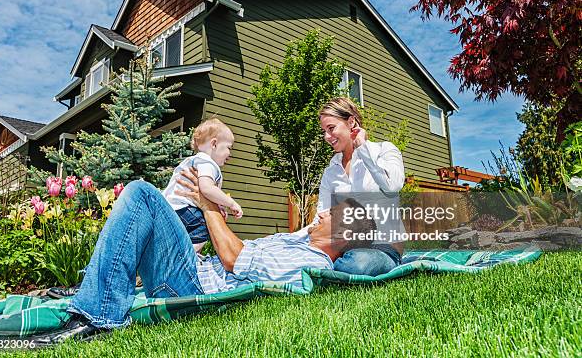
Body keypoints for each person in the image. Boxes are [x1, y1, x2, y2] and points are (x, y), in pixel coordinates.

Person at [30, 169, 362, 345]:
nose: (320, 215)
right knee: (147, 202)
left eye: (329, 214)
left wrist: (209, 207)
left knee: (142, 194)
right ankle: (91, 293)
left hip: (193, 287)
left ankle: (99, 317)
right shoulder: (300, 239)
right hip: (196, 269)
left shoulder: (313, 263)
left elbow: (236, 259)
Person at [294, 97, 406, 277]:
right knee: (298, 254)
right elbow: (320, 217)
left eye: (331, 128)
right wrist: (289, 239)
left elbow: (392, 186)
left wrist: (362, 147)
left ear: (351, 122)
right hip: (341, 247)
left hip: (383, 247)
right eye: (324, 131)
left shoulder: (384, 150)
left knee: (357, 264)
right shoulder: (331, 171)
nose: (326, 137)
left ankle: (329, 267)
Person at [162, 118, 243, 252]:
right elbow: (206, 188)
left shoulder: (195, 160)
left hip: (173, 208)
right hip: (183, 208)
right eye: (229, 147)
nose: (230, 153)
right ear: (214, 144)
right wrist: (231, 203)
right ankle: (188, 257)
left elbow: (206, 193)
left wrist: (219, 206)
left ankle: (179, 254)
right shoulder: (207, 163)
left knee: (184, 235)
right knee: (204, 225)